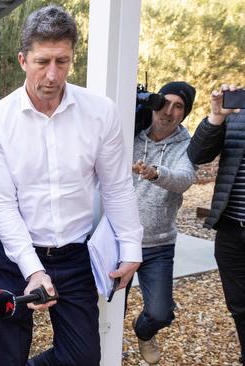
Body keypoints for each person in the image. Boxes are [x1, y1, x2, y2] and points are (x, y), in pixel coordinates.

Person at [0, 5, 144, 366]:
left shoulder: (100, 112)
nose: (52, 75)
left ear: (72, 59)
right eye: (42, 62)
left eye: (62, 62)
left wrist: (132, 246)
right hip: (11, 250)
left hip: (74, 253)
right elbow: (2, 205)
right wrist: (32, 269)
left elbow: (116, 186)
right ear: (23, 59)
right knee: (9, 353)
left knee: (83, 358)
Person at [127, 81, 197, 364]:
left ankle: (144, 331)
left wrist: (156, 172)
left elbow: (184, 180)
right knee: (108, 306)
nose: (168, 111)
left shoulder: (187, 145)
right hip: (121, 240)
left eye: (178, 106)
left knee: (159, 312)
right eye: (164, 103)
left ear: (184, 113)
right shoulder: (130, 134)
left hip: (159, 243)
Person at [187, 84, 245, 365]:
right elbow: (196, 155)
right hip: (232, 228)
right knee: (239, 305)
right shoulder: (235, 112)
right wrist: (216, 116)